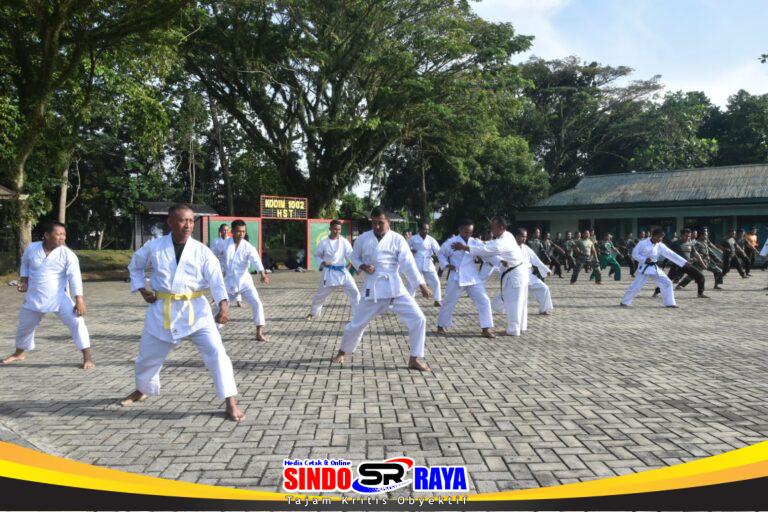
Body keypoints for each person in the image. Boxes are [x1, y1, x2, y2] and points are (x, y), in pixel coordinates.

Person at [121, 204, 243, 422]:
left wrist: (224, 306)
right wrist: (141, 289)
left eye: (190, 221)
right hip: (162, 310)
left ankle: (230, 402)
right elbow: (135, 266)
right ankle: (142, 389)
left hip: (196, 312)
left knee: (217, 354)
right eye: (182, 220)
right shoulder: (154, 247)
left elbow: (216, 280)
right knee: (146, 357)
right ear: (170, 222)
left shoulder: (202, 251)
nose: (188, 225)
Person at [333, 207, 431, 371]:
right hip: (373, 288)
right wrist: (362, 266)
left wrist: (421, 284)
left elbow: (408, 264)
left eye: (380, 223)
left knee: (419, 318)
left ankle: (414, 358)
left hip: (395, 288)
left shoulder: (398, 239)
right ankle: (342, 351)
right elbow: (353, 256)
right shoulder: (363, 238)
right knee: (357, 324)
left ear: (388, 222)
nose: (377, 226)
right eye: (374, 223)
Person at [2, 221, 93, 369]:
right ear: (47, 235)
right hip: (34, 296)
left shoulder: (68, 254)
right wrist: (24, 281)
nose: (62, 237)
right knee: (24, 327)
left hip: (59, 297)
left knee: (77, 322)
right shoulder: (32, 249)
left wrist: (79, 300)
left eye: (63, 234)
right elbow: (25, 264)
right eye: (58, 234)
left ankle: (87, 357)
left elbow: (75, 277)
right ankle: (19, 353)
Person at [459, 217, 527, 336]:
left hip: (515, 274)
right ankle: (519, 327)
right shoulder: (507, 236)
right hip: (517, 272)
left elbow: (487, 249)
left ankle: (513, 330)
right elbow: (489, 244)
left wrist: (465, 247)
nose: (491, 229)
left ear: (501, 227)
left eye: (493, 226)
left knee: (513, 302)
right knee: (519, 301)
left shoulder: (503, 241)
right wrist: (478, 241)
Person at [436, 219, 495, 338]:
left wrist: (500, 261)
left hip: (472, 276)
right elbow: (440, 254)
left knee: (484, 300)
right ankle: (440, 326)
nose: (468, 234)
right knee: (449, 301)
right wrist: (446, 265)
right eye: (466, 232)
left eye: (470, 232)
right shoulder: (451, 242)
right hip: (457, 275)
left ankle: (486, 328)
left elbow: (486, 251)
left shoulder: (475, 242)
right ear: (460, 230)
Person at [223, 219, 270, 341]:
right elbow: (212, 256)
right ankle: (207, 329)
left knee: (257, 303)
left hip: (245, 282)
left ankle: (259, 332)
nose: (241, 234)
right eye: (238, 231)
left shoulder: (248, 247)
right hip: (229, 282)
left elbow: (256, 260)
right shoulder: (223, 244)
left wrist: (262, 274)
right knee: (219, 307)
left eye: (243, 232)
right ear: (232, 231)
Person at [619, 228, 689, 308]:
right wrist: (644, 259)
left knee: (667, 282)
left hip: (654, 268)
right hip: (644, 267)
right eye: (660, 237)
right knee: (637, 286)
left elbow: (670, 254)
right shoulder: (642, 243)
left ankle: (670, 303)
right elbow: (634, 254)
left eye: (662, 237)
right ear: (654, 236)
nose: (661, 239)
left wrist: (684, 262)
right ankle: (624, 302)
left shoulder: (660, 245)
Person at [307, 220, 360, 320]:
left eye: (339, 229)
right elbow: (317, 255)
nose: (337, 231)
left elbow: (351, 255)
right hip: (329, 272)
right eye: (335, 229)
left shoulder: (344, 242)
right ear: (330, 229)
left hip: (342, 272)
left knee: (355, 292)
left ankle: (358, 315)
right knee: (320, 295)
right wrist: (322, 262)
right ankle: (313, 313)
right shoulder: (324, 242)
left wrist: (358, 266)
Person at [651, 228, 708, 298]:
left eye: (689, 236)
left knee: (700, 276)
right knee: (668, 280)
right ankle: (656, 292)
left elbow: (696, 254)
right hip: (676, 265)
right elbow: (667, 252)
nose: (688, 237)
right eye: (686, 236)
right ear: (681, 235)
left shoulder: (690, 243)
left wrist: (702, 263)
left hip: (687, 265)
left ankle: (700, 293)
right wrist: (664, 262)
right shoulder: (675, 243)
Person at [407, 221, 442, 307]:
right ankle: (410, 300)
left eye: (428, 229)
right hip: (416, 262)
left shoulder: (431, 239)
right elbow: (405, 248)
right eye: (424, 229)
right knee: (412, 281)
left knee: (436, 281)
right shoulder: (413, 239)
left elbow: (438, 251)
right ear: (420, 229)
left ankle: (437, 300)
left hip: (428, 263)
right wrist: (411, 250)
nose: (426, 231)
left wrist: (442, 258)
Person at [211, 223, 241, 307]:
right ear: (220, 231)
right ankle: (216, 299)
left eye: (227, 230)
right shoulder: (216, 241)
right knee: (219, 282)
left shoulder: (231, 240)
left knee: (235, 281)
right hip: (220, 264)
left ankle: (238, 300)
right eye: (224, 230)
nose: (225, 231)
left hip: (231, 264)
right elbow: (212, 253)